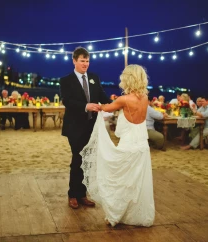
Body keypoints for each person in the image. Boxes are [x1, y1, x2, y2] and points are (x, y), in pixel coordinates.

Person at [80, 64, 155, 227]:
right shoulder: (145, 98)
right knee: (136, 182)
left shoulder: (124, 99)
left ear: (128, 79)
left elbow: (106, 108)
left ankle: (117, 214)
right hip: (142, 145)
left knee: (120, 179)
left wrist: (96, 105)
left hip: (128, 144)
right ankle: (134, 214)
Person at [60, 47, 110, 209]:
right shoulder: (66, 80)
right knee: (77, 159)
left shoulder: (94, 78)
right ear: (74, 61)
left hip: (91, 127)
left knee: (87, 160)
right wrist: (86, 106)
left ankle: (82, 194)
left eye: (87, 61)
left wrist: (115, 102)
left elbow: (102, 96)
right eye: (82, 61)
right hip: (74, 127)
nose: (85, 64)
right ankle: (72, 195)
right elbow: (67, 101)